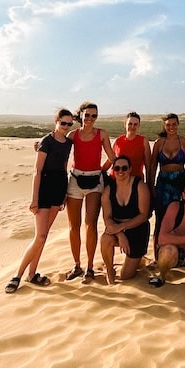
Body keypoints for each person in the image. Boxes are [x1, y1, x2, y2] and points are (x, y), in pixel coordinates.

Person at [5, 109, 75, 292]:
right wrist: (34, 199)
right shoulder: (47, 141)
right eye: (63, 123)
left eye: (69, 124)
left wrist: (64, 194)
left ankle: (32, 274)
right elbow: (37, 171)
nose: (66, 127)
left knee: (44, 237)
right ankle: (17, 275)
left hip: (58, 190)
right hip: (44, 191)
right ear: (56, 121)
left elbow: (63, 167)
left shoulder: (68, 142)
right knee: (40, 236)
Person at [64, 101, 116, 283]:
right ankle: (77, 265)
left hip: (95, 182)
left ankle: (90, 267)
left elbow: (112, 157)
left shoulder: (102, 134)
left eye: (94, 115)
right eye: (87, 115)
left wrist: (101, 170)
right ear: (81, 116)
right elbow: (60, 149)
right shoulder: (73, 135)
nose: (90, 119)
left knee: (91, 224)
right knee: (73, 226)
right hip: (75, 181)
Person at [100, 155, 151, 284]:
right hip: (117, 229)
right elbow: (107, 218)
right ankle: (109, 270)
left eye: (124, 168)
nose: (120, 171)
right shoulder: (108, 190)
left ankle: (139, 260)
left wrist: (122, 227)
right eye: (117, 168)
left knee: (126, 276)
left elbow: (143, 215)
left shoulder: (140, 186)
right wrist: (120, 234)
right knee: (105, 239)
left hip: (138, 228)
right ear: (113, 170)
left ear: (130, 169)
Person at [148, 113, 185, 256]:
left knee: (180, 218)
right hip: (163, 183)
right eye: (168, 125)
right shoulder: (158, 143)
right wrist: (151, 186)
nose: (171, 127)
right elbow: (153, 166)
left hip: (180, 182)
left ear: (178, 125)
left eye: (174, 124)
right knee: (160, 217)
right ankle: (157, 254)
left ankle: (178, 254)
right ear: (164, 126)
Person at [111, 111, 151, 182]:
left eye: (135, 124)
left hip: (135, 181)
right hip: (117, 181)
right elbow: (109, 161)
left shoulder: (143, 141)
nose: (132, 126)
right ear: (125, 124)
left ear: (139, 126)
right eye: (130, 124)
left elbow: (148, 166)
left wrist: (149, 185)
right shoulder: (117, 141)